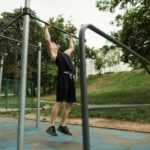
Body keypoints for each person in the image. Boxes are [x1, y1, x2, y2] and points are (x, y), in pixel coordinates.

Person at [44, 23, 76, 136]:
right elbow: (48, 41)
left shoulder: (65, 54)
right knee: (59, 102)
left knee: (69, 103)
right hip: (63, 78)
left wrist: (71, 38)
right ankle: (51, 126)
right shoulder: (54, 55)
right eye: (53, 44)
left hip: (71, 79)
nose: (54, 44)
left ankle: (62, 126)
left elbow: (72, 47)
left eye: (55, 44)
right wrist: (46, 28)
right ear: (52, 48)